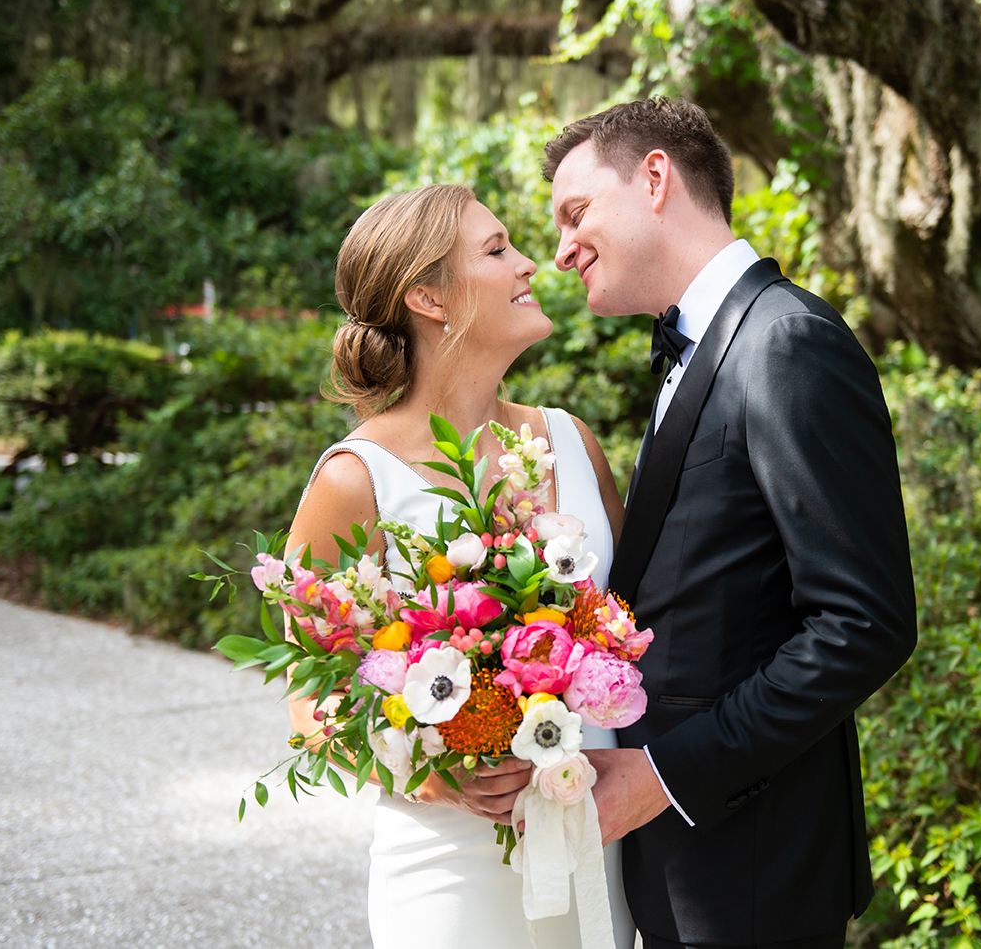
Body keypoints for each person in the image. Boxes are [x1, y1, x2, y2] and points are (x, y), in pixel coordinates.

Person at [544, 98, 918, 949]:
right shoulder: (702, 346)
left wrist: (664, 776)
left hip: (756, 871)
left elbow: (864, 625)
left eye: (576, 212)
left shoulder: (786, 342)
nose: (561, 249)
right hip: (688, 868)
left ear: (655, 177)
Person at [286, 184, 635, 949]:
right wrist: (428, 771)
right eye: (498, 249)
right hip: (449, 872)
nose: (531, 263)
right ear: (428, 297)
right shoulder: (354, 479)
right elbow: (309, 704)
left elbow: (630, 624)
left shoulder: (572, 443)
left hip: (590, 841)